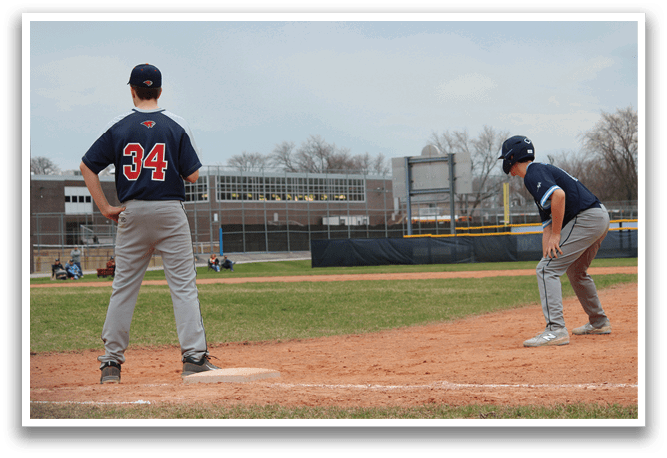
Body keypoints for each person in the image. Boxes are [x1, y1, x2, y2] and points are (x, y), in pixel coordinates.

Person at [80, 63, 221, 384]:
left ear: (132, 90)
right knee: (183, 287)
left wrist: (105, 207)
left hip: (131, 211)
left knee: (124, 288)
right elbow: (193, 175)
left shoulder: (119, 125)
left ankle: (111, 365)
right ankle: (194, 358)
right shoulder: (176, 124)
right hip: (170, 211)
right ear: (159, 90)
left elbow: (87, 167)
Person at [498, 135, 611, 347]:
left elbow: (558, 197)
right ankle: (599, 322)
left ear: (512, 157)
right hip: (598, 217)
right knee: (575, 271)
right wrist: (547, 256)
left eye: (506, 158)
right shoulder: (537, 176)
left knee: (545, 270)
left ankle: (555, 329)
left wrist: (555, 241)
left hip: (586, 218)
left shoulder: (534, 172)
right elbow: (547, 227)